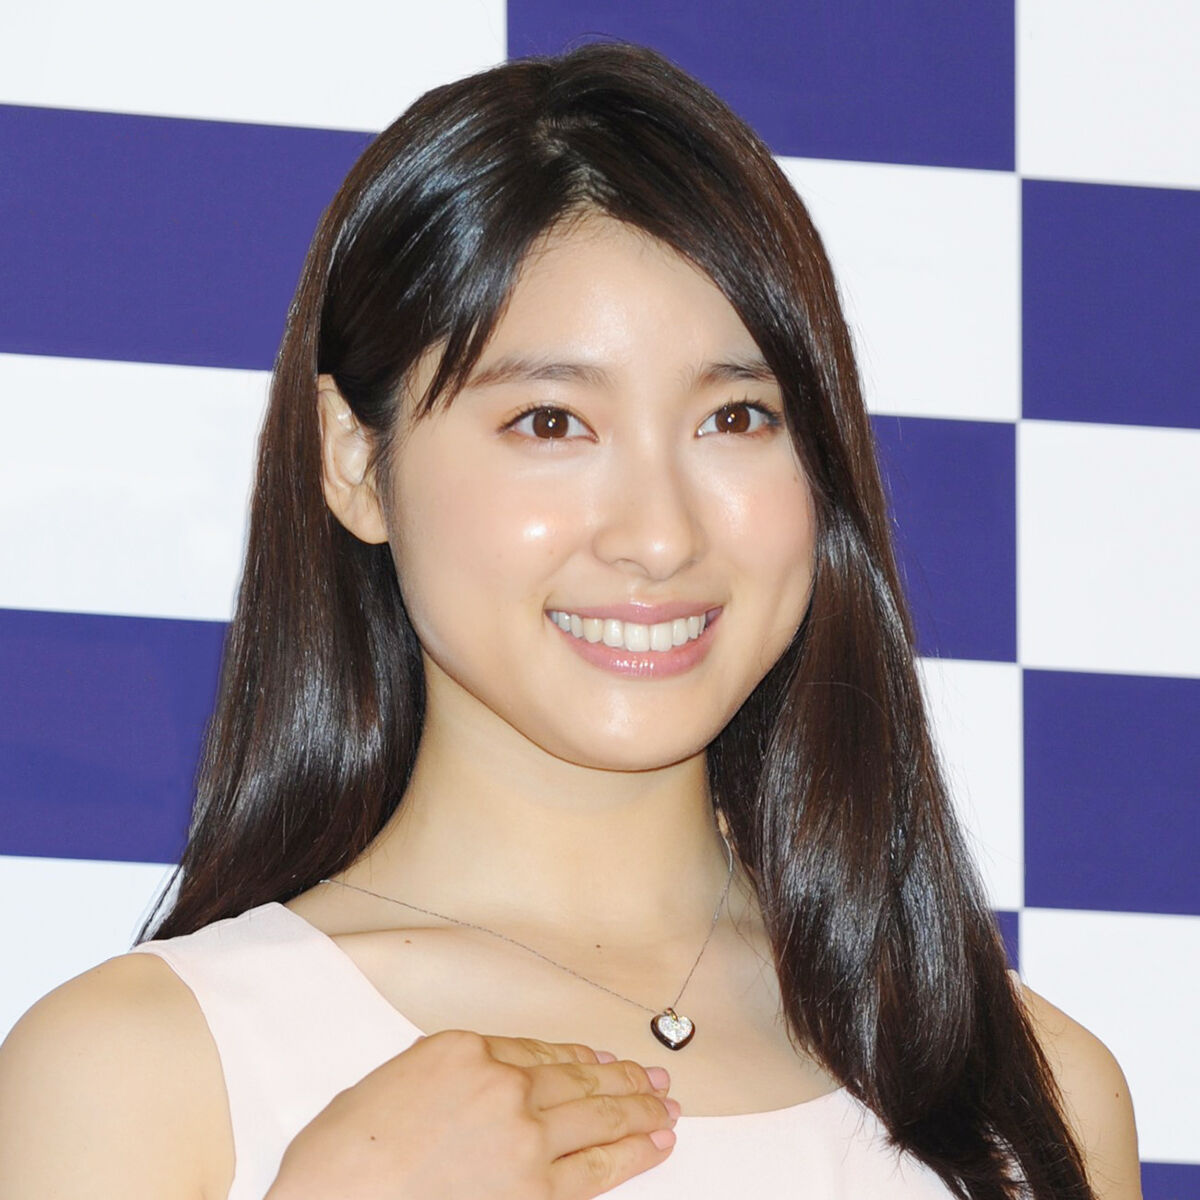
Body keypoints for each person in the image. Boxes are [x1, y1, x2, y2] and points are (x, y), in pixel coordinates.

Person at [0, 41, 1140, 1200]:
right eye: (550, 423)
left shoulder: (1028, 1090)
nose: (659, 535)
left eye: (737, 417)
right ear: (353, 460)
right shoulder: (144, 1070)